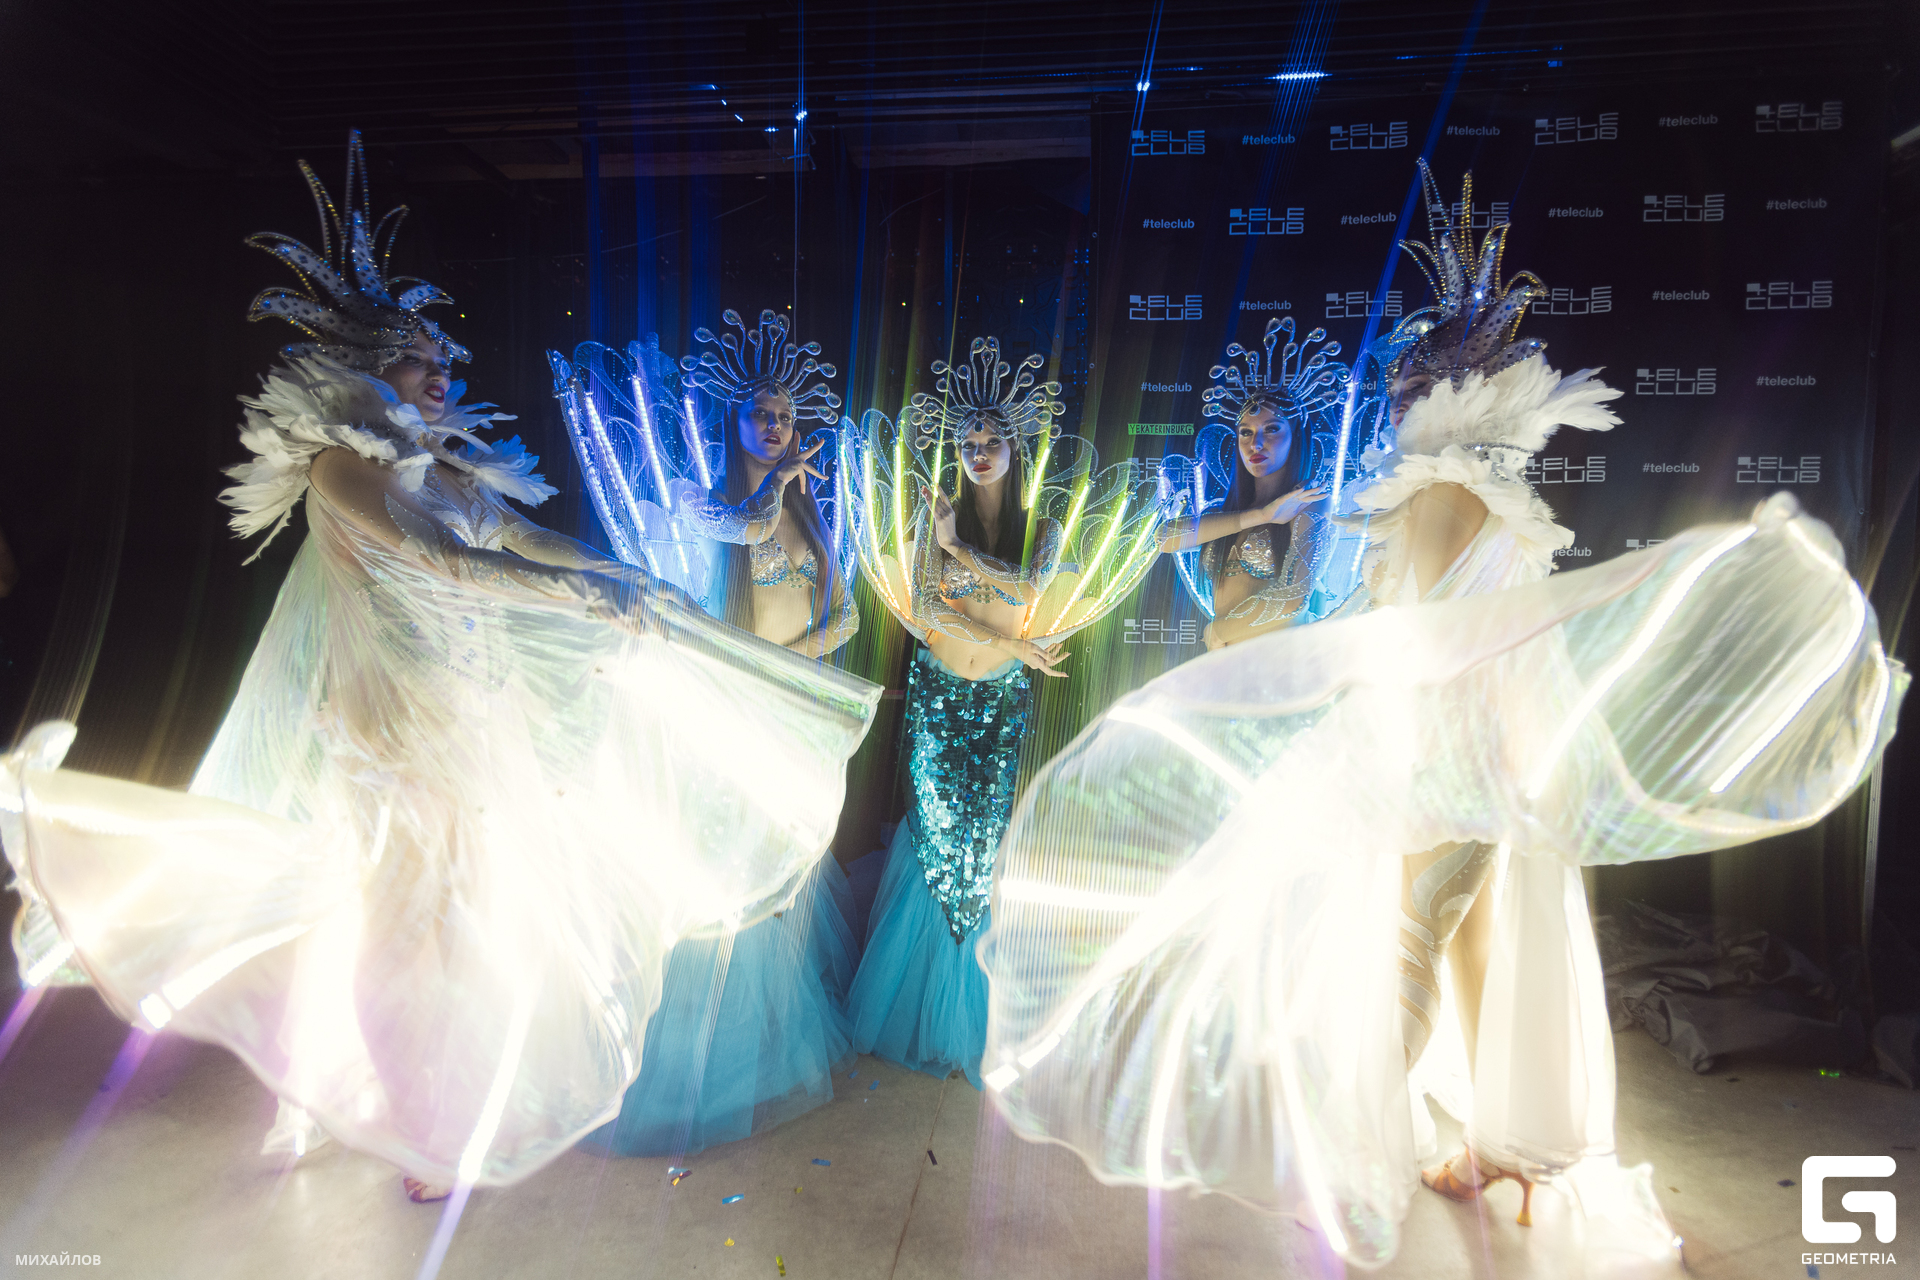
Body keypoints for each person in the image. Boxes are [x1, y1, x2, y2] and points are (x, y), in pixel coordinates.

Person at [974, 161, 1903, 1268]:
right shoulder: (1497, 503)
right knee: (1464, 937)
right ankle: (1501, 1150)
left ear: (1446, 403)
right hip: (1480, 753)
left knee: (1412, 939)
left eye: (1410, 391)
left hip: (1439, 757)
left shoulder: (1436, 498)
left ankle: (1372, 1147)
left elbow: (1420, 636)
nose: (1397, 406)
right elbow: (1459, 634)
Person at [0, 132, 879, 1202]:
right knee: (407, 931)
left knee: (463, 924)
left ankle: (414, 1098)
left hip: (469, 717)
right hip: (395, 733)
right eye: (420, 360)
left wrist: (614, 574)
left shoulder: (439, 466)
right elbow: (446, 563)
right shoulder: (342, 468)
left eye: (439, 358)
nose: (442, 373)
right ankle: (413, 1123)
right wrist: (580, 597)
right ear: (367, 370)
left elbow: (517, 536)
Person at [553, 311, 864, 1155]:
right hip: (728, 714)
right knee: (726, 872)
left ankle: (764, 1048)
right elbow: (746, 530)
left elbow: (843, 615)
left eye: (785, 415)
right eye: (759, 413)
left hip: (787, 705)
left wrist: (791, 662)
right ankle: (697, 1067)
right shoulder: (704, 500)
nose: (774, 425)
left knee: (781, 870)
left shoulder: (810, 515)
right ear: (732, 421)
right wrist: (780, 486)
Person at [843, 338, 1072, 1087]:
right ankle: (917, 1008)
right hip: (939, 702)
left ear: (1014, 448)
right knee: (938, 840)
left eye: (991, 441)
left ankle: (979, 1013)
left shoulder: (1042, 527)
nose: (978, 453)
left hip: (1000, 707)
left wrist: (959, 552)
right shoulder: (934, 517)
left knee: (987, 843)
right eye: (969, 443)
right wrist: (1005, 635)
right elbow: (925, 616)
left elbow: (1028, 590)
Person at [1157, 317, 1348, 648]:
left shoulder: (1309, 502)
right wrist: (1261, 516)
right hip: (1225, 659)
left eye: (1272, 429)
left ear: (1295, 436)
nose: (1256, 444)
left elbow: (1293, 600)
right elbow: (1164, 538)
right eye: (1246, 432)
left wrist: (1219, 632)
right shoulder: (1230, 512)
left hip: (1274, 660)